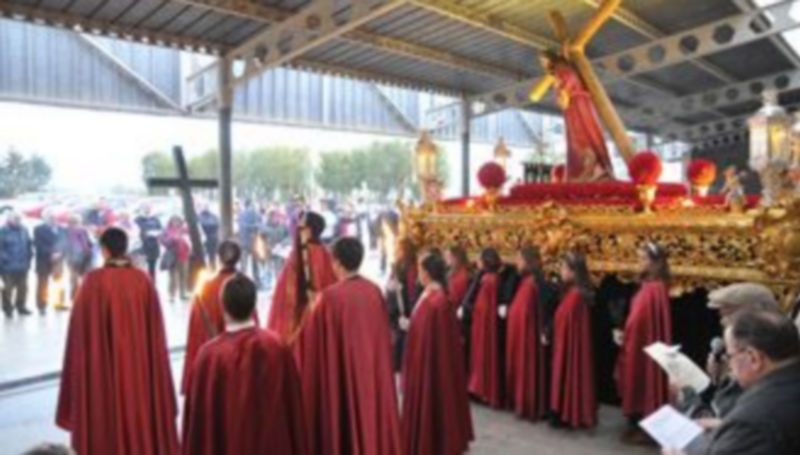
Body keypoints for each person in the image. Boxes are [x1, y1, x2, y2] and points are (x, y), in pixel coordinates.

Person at [56, 228, 179, 455]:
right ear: (125, 248)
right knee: (139, 409)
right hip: (140, 371)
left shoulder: (92, 283)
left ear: (104, 250)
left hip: (104, 373)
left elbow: (79, 335)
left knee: (106, 413)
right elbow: (156, 336)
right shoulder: (143, 281)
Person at [297, 237, 402, 455]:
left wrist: (312, 307)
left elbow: (312, 341)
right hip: (371, 373)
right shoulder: (374, 291)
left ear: (337, 263)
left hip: (342, 373)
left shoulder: (329, 298)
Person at [182, 274, 308, 455]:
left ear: (222, 306)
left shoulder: (209, 357)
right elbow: (293, 411)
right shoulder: (277, 347)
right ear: (254, 305)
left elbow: (198, 426)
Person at [664, 310, 800, 455]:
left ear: (753, 358)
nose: (728, 365)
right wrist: (726, 426)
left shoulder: (751, 421)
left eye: (729, 355)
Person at [401, 253, 474, 455]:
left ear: (426, 273)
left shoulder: (437, 302)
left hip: (431, 366)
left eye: (420, 268)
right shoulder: (429, 296)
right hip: (422, 360)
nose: (418, 272)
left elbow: (436, 340)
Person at [675, 282, 779, 419]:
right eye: (721, 316)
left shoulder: (771, 355)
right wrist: (720, 378)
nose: (723, 322)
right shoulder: (733, 353)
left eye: (728, 314)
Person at [616, 242, 673, 443]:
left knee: (641, 381)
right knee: (636, 381)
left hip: (641, 346)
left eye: (643, 259)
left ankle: (645, 427)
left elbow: (639, 320)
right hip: (637, 342)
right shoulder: (650, 287)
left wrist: (627, 333)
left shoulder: (653, 290)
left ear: (655, 263)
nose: (639, 263)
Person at [181, 240, 249, 394]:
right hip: (240, 369)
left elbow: (196, 335)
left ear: (218, 258)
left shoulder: (205, 287)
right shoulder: (245, 286)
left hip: (212, 366)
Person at [539, 49, 614, 181]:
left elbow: (568, 80)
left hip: (576, 104)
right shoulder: (561, 69)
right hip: (577, 104)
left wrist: (562, 91)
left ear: (551, 59)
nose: (542, 64)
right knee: (583, 134)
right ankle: (593, 167)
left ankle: (590, 167)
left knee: (580, 134)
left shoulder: (560, 69)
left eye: (543, 60)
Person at [267, 211, 336, 344]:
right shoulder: (325, 254)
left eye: (302, 227)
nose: (298, 230)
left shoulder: (302, 256)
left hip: (302, 321)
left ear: (309, 230)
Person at [506, 245, 556, 421]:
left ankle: (529, 404)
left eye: (520, 259)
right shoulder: (526, 282)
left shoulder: (535, 283)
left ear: (528, 262)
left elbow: (537, 312)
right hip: (521, 336)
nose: (517, 263)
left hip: (528, 338)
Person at [550, 251, 597, 428]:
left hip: (568, 346)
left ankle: (567, 412)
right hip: (564, 343)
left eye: (563, 268)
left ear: (574, 272)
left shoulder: (576, 295)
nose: (561, 271)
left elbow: (566, 321)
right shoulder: (572, 292)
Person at [465, 247, 504, 408]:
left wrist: (472, 310)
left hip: (484, 325)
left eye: (480, 259)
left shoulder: (489, 280)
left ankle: (482, 390)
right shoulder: (490, 278)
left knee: (483, 357)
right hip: (482, 323)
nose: (477, 262)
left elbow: (484, 306)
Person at [386, 237, 421, 372]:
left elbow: (412, 292)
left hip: (405, 310)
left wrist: (409, 314)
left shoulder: (411, 268)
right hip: (396, 310)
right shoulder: (398, 265)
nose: (396, 251)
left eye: (399, 249)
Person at [0, 212, 33, 318]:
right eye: (16, 218)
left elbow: (28, 245)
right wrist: (4, 260)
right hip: (8, 266)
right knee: (7, 289)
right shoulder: (3, 231)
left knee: (23, 288)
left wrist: (29, 258)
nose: (18, 221)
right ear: (9, 219)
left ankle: (21, 306)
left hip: (22, 265)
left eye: (19, 219)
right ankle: (7, 308)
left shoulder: (24, 230)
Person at [34, 210, 65, 315]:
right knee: (43, 284)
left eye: (55, 217)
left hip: (58, 260)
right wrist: (51, 253)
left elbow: (65, 243)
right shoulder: (38, 229)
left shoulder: (62, 229)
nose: (53, 219)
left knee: (59, 282)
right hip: (43, 260)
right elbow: (38, 245)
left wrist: (60, 253)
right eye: (50, 217)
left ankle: (59, 303)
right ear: (45, 218)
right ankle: (42, 306)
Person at [160, 215, 190, 302]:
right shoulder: (166, 230)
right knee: (172, 276)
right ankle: (171, 295)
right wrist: (172, 239)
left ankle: (183, 293)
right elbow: (162, 240)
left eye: (178, 220)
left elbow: (190, 239)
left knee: (183, 275)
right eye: (174, 221)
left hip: (184, 255)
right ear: (171, 221)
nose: (176, 222)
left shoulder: (184, 230)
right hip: (173, 256)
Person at [63, 214, 92, 301]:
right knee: (74, 278)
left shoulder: (84, 230)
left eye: (77, 222)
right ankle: (74, 296)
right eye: (73, 222)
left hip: (84, 257)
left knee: (83, 278)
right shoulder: (66, 231)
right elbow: (65, 245)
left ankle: (81, 296)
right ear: (70, 223)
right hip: (72, 258)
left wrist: (89, 250)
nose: (76, 225)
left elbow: (89, 243)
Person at [134, 204, 162, 282]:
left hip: (154, 246)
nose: (147, 210)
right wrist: (144, 234)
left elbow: (161, 229)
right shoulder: (137, 219)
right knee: (141, 267)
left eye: (149, 208)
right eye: (145, 208)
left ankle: (152, 284)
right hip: (142, 246)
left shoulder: (155, 219)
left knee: (152, 267)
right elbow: (135, 231)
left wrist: (157, 234)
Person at [238, 199, 261, 280]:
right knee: (255, 264)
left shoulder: (241, 214)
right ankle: (257, 280)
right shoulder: (255, 213)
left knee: (244, 264)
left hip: (244, 242)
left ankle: (241, 280)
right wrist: (254, 227)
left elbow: (241, 227)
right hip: (253, 241)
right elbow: (259, 225)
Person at [445, 245, 472, 312]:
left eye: (448, 256)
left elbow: (455, 300)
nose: (445, 258)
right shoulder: (453, 272)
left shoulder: (462, 276)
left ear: (456, 258)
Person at [197, 204, 220, 269]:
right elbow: (217, 225)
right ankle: (211, 268)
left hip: (209, 239)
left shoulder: (200, 217)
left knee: (211, 256)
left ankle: (211, 268)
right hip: (211, 238)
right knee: (211, 256)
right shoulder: (213, 217)